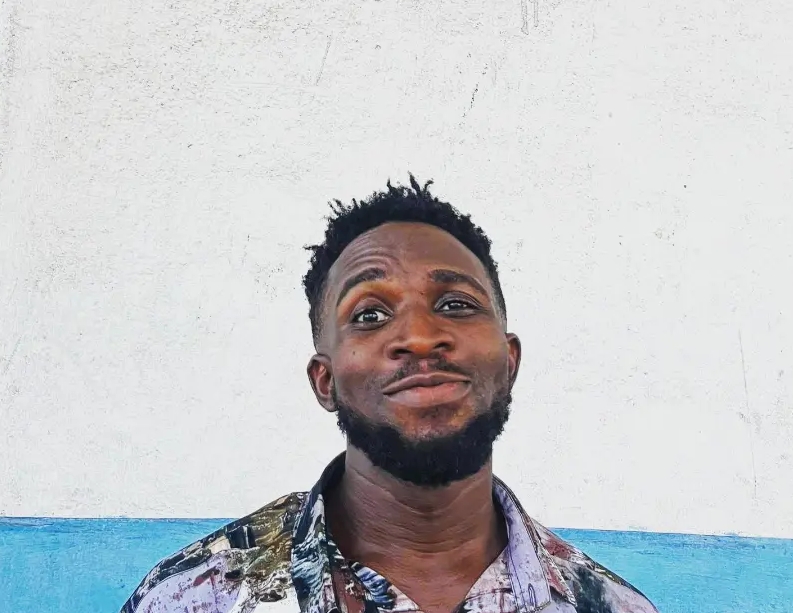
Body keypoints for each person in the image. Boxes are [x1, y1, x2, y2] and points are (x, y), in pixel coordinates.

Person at [121, 176, 658, 613]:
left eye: (455, 304)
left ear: (510, 360)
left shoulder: (610, 606)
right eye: (370, 314)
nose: (420, 337)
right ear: (325, 381)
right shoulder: (195, 599)